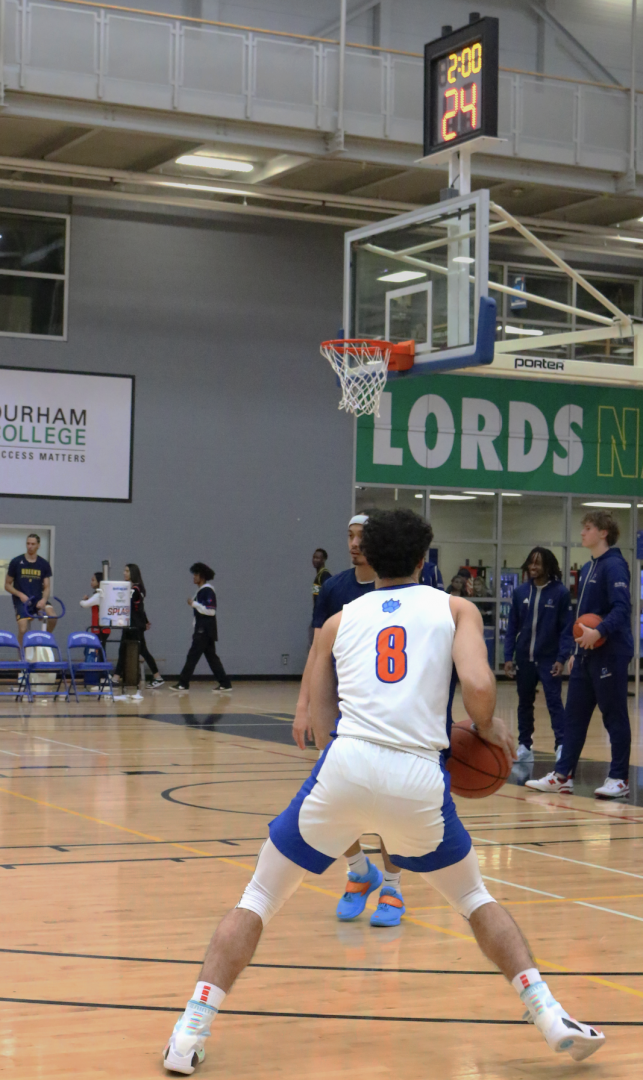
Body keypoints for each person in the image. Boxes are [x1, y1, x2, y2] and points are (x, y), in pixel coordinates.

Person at [162, 509, 604, 1076]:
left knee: (257, 899)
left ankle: (189, 1032)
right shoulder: (455, 607)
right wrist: (488, 728)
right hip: (418, 776)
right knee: (474, 899)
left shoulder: (338, 621)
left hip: (347, 761)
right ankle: (549, 1016)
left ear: (366, 557)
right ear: (425, 559)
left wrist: (343, 781)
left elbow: (323, 720)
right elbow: (475, 684)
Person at [293, 513, 406, 927]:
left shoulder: (407, 588)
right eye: (350, 536)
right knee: (331, 803)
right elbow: (317, 653)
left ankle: (392, 886)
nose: (354, 544)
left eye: (362, 537)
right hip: (342, 709)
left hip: (394, 714)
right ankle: (360, 871)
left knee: (395, 806)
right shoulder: (335, 586)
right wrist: (304, 704)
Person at [526, 511, 632, 800]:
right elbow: (581, 618)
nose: (582, 533)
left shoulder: (615, 566)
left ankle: (620, 779)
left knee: (614, 716)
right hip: (586, 654)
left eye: (588, 528)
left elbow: (622, 609)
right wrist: (575, 649)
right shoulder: (587, 568)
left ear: (603, 533)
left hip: (610, 653)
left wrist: (599, 633)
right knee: (574, 716)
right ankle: (563, 775)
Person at [504, 548, 572, 764]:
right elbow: (512, 627)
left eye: (538, 564)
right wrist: (508, 657)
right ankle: (525, 745)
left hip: (549, 659)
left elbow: (566, 630)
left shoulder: (560, 593)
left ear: (548, 567)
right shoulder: (520, 592)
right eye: (531, 563)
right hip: (524, 659)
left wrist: (561, 658)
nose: (533, 567)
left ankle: (561, 745)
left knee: (554, 702)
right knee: (524, 703)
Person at [171, 563, 232, 694]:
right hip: (203, 629)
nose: (194, 577)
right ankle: (225, 683)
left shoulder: (208, 591)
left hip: (204, 630)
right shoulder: (200, 591)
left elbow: (211, 611)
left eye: (196, 574)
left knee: (192, 656)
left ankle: (183, 683)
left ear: (202, 576)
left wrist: (194, 604)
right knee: (211, 657)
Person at [114, 564, 164, 689]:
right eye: (124, 570)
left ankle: (157, 677)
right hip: (131, 624)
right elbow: (140, 609)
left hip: (134, 626)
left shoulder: (136, 589)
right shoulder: (132, 588)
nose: (124, 573)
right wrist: (146, 621)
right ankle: (115, 677)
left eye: (127, 571)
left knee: (142, 651)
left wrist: (143, 622)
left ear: (133, 572)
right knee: (123, 650)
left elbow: (136, 607)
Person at [4, 533, 55, 645]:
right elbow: (7, 585)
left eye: (33, 544)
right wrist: (20, 594)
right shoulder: (16, 562)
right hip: (22, 600)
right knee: (23, 629)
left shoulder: (43, 564)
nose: (30, 546)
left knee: (53, 617)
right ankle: (21, 656)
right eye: (28, 543)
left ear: (38, 545)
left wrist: (43, 600)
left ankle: (43, 640)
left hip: (38, 597)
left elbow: (46, 587)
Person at [79, 571, 111, 653]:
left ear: (99, 582)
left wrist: (83, 600)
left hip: (99, 628)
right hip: (103, 627)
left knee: (100, 650)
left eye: (93, 580)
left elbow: (84, 604)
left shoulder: (98, 595)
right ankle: (101, 664)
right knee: (101, 649)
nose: (91, 582)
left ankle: (101, 665)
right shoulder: (103, 594)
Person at [310, 548, 331, 646]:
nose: (315, 560)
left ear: (323, 560)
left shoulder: (324, 575)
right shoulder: (318, 576)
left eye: (318, 558)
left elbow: (328, 595)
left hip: (321, 620)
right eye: (314, 557)